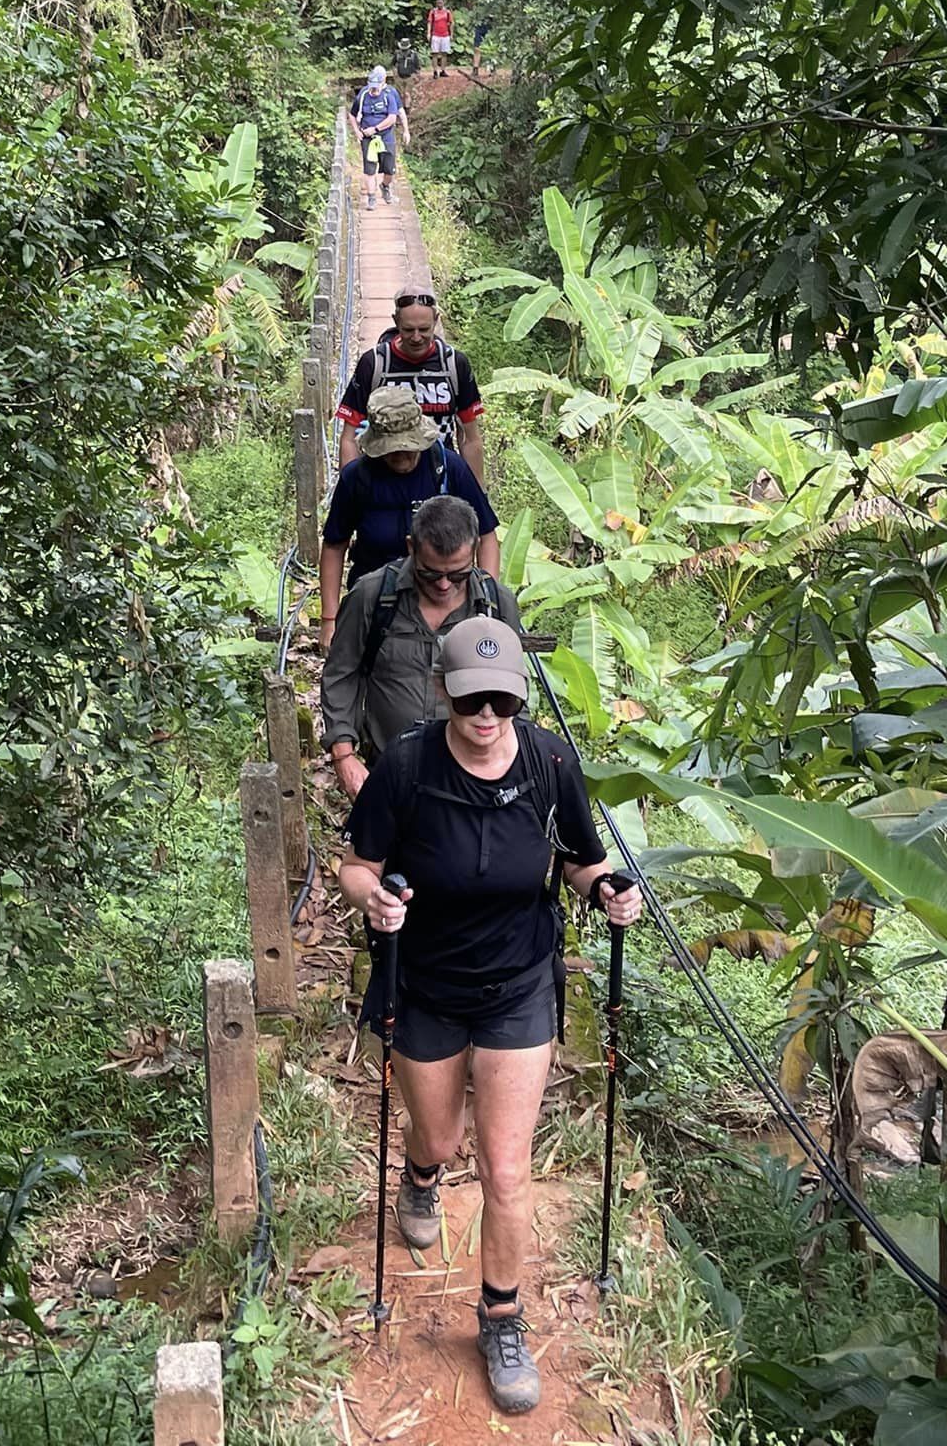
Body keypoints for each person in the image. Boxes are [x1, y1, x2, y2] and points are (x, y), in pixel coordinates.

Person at [339, 618, 643, 1416]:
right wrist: (374, 898)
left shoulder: (547, 762)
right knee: (438, 1134)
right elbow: (356, 866)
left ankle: (502, 1317)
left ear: (519, 697)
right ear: (444, 692)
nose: (487, 715)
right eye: (473, 699)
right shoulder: (405, 767)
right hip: (427, 982)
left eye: (503, 699)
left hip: (517, 986)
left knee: (509, 1170)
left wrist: (608, 892)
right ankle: (422, 1174)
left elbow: (581, 859)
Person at [320, 496, 521, 798]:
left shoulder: (495, 604)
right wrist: (344, 756)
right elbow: (341, 674)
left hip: (472, 782)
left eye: (457, 574)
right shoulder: (372, 596)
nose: (443, 585)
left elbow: (515, 694)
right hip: (389, 774)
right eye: (430, 573)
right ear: (411, 548)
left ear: (475, 555)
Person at [319, 385, 498, 650]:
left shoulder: (448, 468)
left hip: (444, 597)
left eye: (408, 447)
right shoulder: (357, 478)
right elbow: (335, 545)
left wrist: (488, 603)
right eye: (391, 449)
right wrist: (330, 619)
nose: (400, 455)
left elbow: (486, 536)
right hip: (374, 600)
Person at [336, 284, 485, 479]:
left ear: (436, 321)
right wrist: (349, 489)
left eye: (424, 329)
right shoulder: (374, 364)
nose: (416, 338)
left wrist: (478, 495)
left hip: (439, 476)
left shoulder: (454, 365)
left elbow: (470, 438)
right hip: (383, 477)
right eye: (408, 330)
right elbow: (350, 436)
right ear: (396, 322)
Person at [352, 65, 410, 211]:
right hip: (367, 137)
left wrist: (405, 130)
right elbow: (352, 115)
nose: (374, 90)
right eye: (372, 86)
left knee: (389, 170)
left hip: (385, 136)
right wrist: (357, 132)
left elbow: (395, 116)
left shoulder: (390, 94)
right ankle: (371, 198)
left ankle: (385, 185)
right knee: (369, 169)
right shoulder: (363, 95)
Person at [426, 0, 454, 78]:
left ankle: (443, 70)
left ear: (444, 2)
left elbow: (451, 23)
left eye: (441, 2)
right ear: (436, 3)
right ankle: (435, 71)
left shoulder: (447, 12)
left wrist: (451, 34)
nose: (439, 4)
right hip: (435, 35)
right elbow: (429, 22)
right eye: (438, 2)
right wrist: (428, 33)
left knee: (444, 53)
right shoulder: (433, 12)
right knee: (435, 53)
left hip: (445, 35)